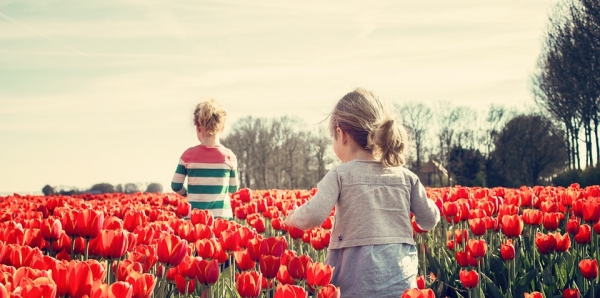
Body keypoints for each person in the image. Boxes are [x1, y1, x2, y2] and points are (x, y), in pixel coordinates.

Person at [284, 88, 440, 297]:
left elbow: (314, 215)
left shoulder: (340, 174)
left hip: (354, 281)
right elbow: (429, 220)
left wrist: (293, 218)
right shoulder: (406, 177)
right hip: (400, 279)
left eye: (333, 137)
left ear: (342, 134)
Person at [171, 99, 239, 219]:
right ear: (222, 127)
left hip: (195, 219)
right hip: (221, 218)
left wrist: (188, 194)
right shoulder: (229, 156)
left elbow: (175, 185)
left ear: (198, 127)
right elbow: (234, 188)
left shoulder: (188, 155)